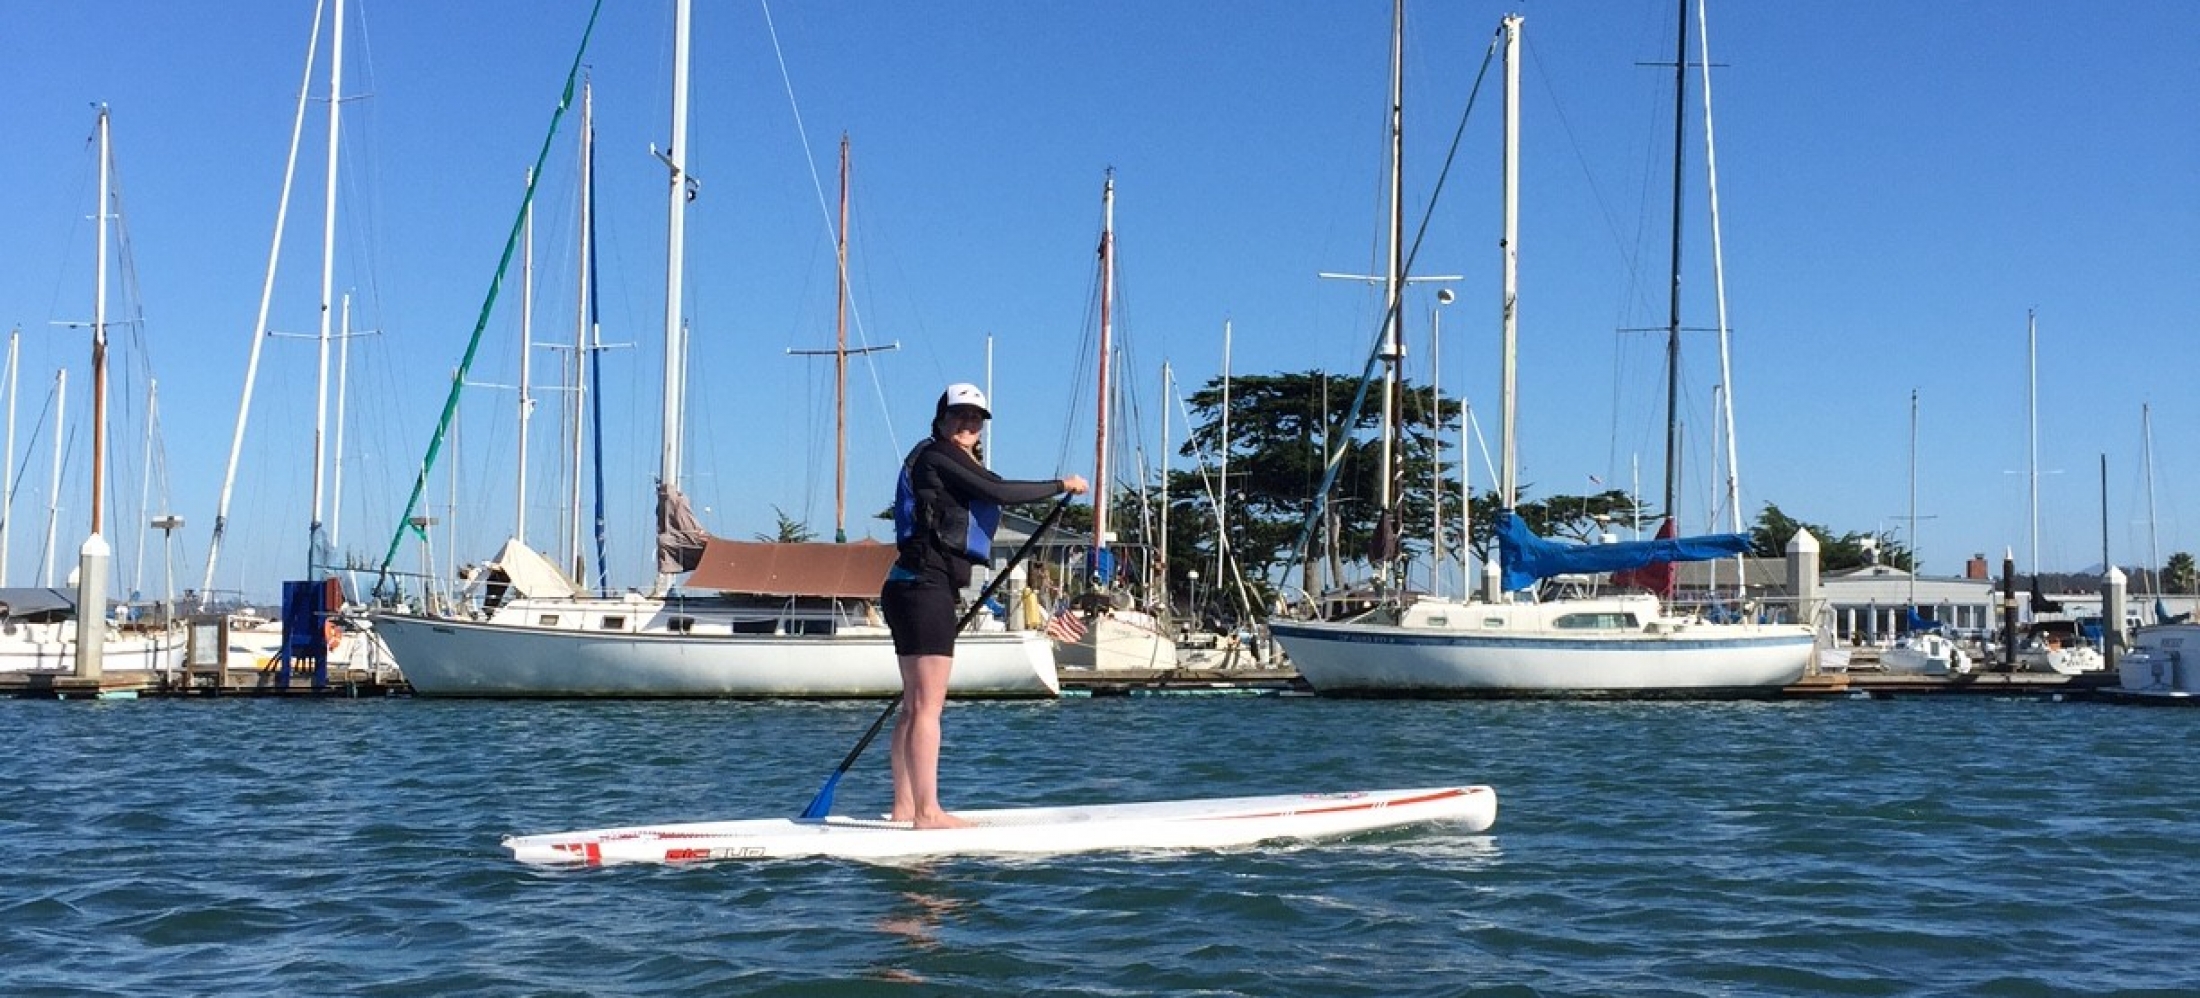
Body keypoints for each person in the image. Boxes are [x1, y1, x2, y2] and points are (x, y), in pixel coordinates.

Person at [881, 383, 1087, 829]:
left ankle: (904, 808)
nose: (968, 424)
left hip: (908, 585)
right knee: (927, 707)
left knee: (913, 706)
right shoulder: (939, 456)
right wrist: (1062, 485)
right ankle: (927, 813)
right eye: (959, 415)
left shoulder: (949, 460)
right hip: (924, 587)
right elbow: (1000, 493)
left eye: (975, 418)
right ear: (941, 419)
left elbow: (993, 485)